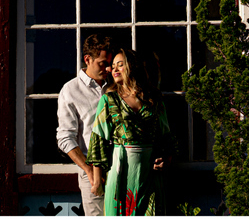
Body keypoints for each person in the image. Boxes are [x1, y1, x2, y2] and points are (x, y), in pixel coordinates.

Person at [86, 49, 176, 216]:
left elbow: (166, 136)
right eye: (113, 66)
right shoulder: (109, 100)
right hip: (120, 169)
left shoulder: (154, 98)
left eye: (120, 65)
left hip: (150, 172)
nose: (114, 70)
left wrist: (167, 160)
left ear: (133, 67)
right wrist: (97, 180)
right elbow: (99, 139)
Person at [57, 35, 113, 216]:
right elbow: (65, 138)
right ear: (87, 59)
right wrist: (88, 170)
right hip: (92, 174)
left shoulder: (117, 85)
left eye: (109, 63)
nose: (108, 68)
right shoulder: (71, 90)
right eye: (102, 63)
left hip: (122, 168)